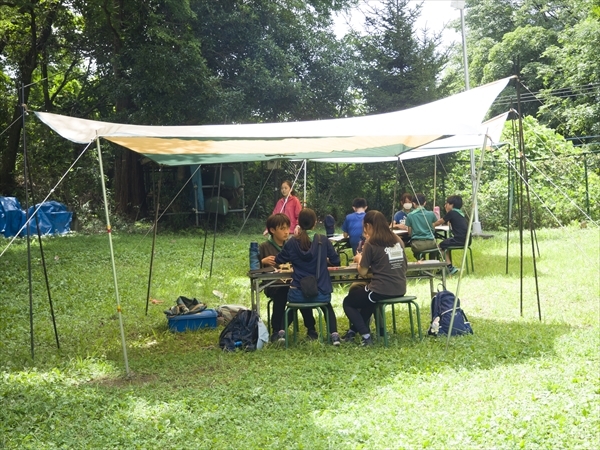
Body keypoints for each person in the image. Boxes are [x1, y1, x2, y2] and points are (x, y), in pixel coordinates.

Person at [275, 208, 342, 345]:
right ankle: (334, 336)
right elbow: (336, 261)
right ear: (315, 222)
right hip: (321, 292)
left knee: (290, 308)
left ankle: (281, 333)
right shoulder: (323, 240)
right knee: (327, 307)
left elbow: (279, 259)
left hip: (297, 293)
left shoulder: (292, 242)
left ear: (298, 223)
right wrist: (324, 260)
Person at [342, 210, 408, 346]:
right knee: (369, 302)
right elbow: (404, 266)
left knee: (348, 302)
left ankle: (366, 336)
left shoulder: (371, 243)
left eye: (364, 227)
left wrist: (359, 258)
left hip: (380, 289)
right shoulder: (398, 240)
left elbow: (363, 271)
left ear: (369, 226)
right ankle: (352, 332)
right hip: (400, 288)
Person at [259, 213, 317, 342]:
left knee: (301, 291)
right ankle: (276, 330)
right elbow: (255, 269)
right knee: (282, 293)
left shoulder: (292, 244)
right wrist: (263, 261)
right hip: (273, 284)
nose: (286, 232)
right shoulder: (264, 246)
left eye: (287, 228)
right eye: (282, 229)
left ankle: (310, 328)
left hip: (293, 282)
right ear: (272, 230)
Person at [433, 195, 471, 275]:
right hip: (467, 239)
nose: (445, 205)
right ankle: (447, 266)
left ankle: (449, 266)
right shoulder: (460, 213)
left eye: (447, 203)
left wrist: (430, 225)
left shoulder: (452, 212)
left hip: (459, 239)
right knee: (446, 244)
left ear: (452, 205)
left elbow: (440, 222)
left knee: (440, 245)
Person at [404, 193, 437, 260]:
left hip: (418, 244)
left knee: (417, 251)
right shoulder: (431, 214)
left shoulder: (410, 215)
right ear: (425, 203)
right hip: (432, 243)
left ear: (413, 203)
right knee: (435, 250)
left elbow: (409, 232)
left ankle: (422, 262)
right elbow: (433, 229)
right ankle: (432, 264)